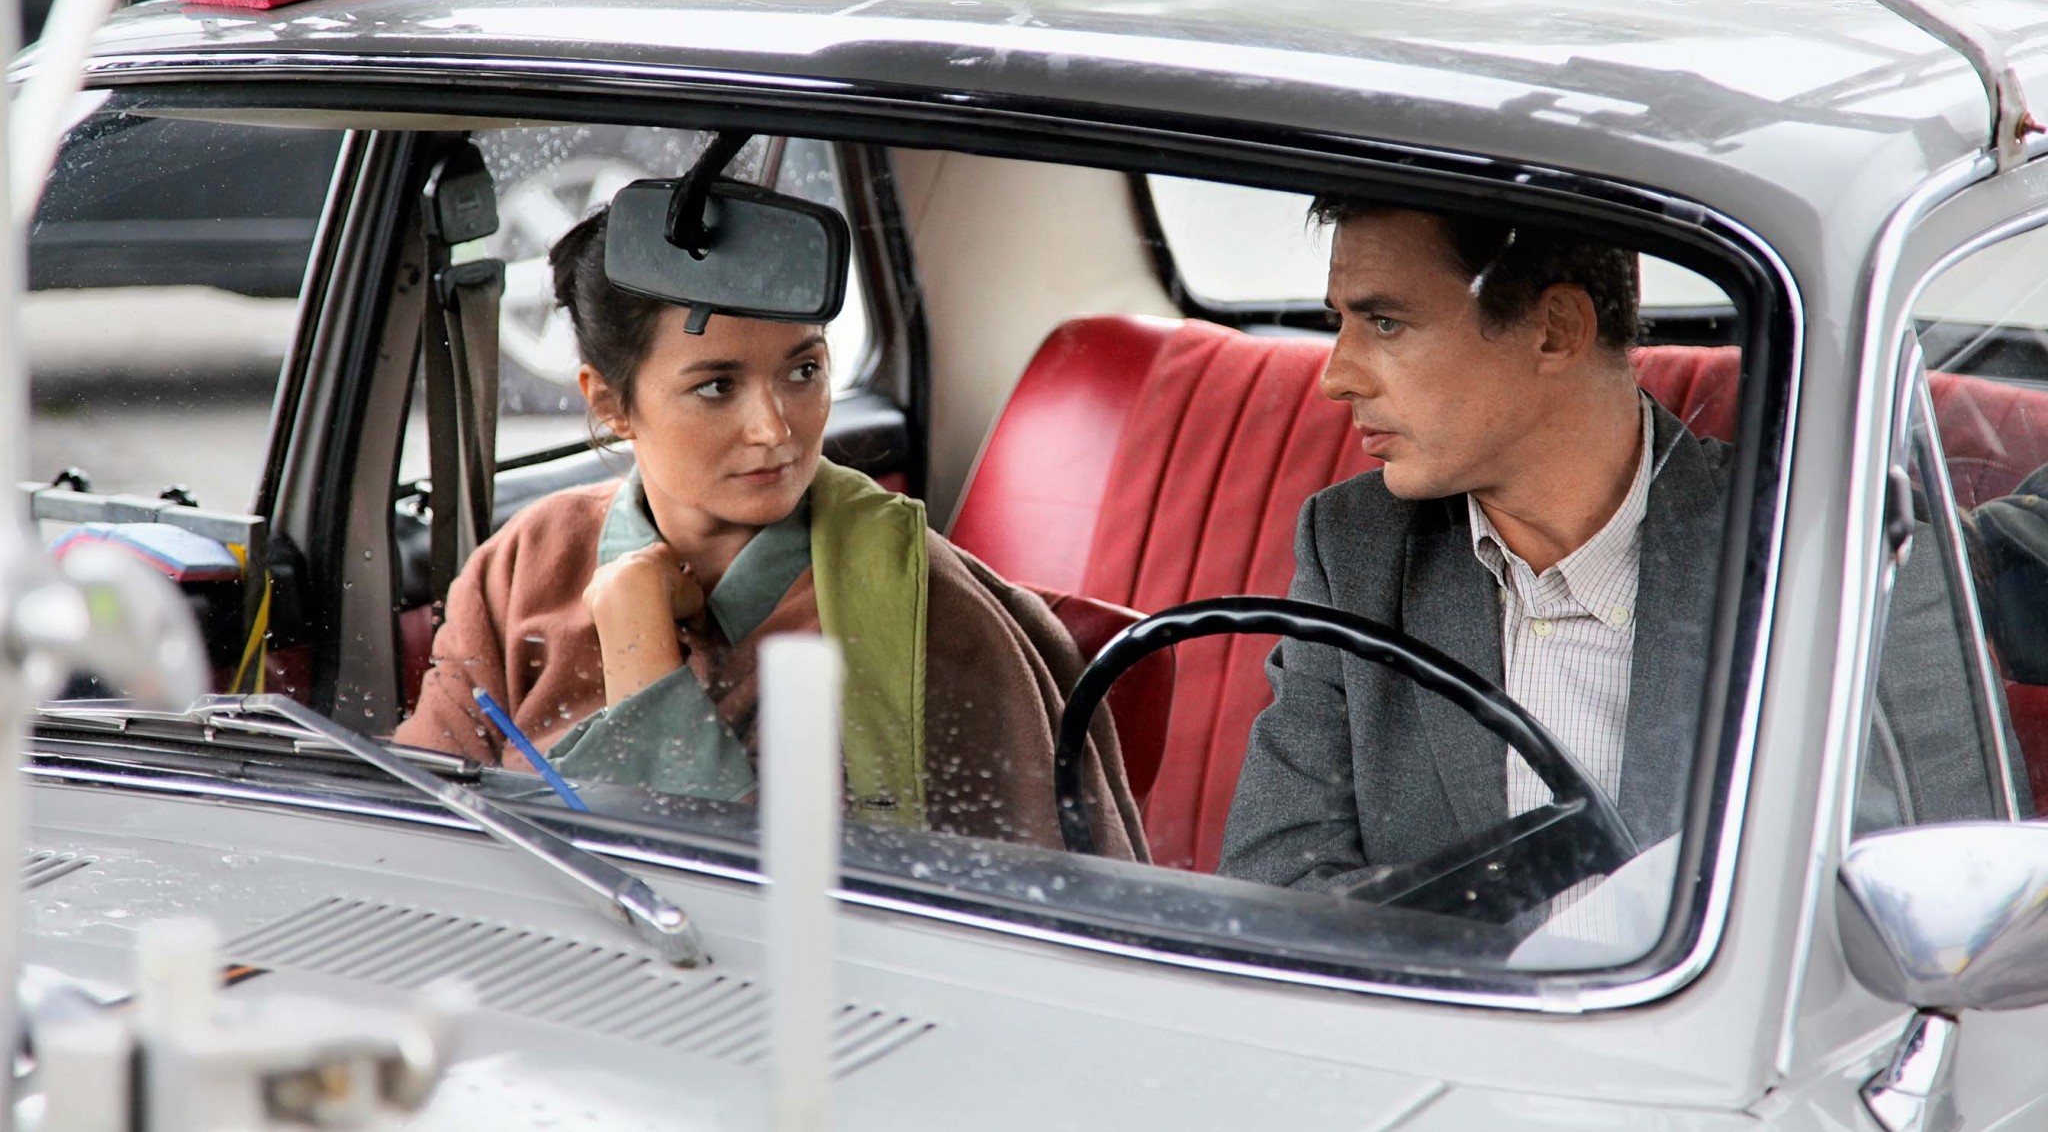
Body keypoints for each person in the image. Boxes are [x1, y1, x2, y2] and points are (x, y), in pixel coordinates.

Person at [1219, 199, 2012, 897]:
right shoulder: (1354, 548)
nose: (1336, 376)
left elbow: (1944, 895)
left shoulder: (1836, 561)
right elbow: (1276, 884)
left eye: (1386, 322)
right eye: (1341, 323)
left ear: (1555, 330)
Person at [394, 207, 1145, 860]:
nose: (775, 428)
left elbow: (783, 908)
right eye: (716, 386)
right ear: (610, 403)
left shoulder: (923, 610)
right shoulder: (525, 563)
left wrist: (638, 646)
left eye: (803, 371)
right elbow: (415, 827)